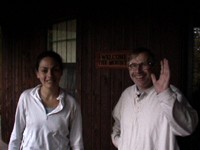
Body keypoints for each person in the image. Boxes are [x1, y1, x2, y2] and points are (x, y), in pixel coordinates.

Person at [111, 47, 199, 150]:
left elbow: (188, 127)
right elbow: (117, 122)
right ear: (129, 68)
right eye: (133, 65)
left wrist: (165, 94)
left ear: (153, 66)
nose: (138, 71)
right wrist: (120, 142)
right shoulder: (126, 94)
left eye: (143, 64)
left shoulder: (170, 93)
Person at [8, 51, 84, 150]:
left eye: (55, 70)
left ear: (61, 72)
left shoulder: (71, 104)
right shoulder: (26, 98)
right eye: (44, 70)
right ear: (37, 73)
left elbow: (77, 143)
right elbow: (16, 135)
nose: (50, 75)